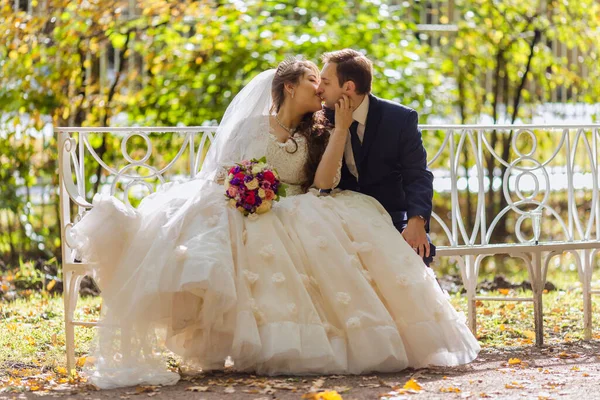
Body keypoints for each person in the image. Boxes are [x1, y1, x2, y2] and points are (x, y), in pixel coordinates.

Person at [71, 57, 479, 390]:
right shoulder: (253, 126)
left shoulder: (317, 129)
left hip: (302, 206)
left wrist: (336, 133)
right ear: (289, 87)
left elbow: (322, 184)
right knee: (223, 242)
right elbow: (225, 172)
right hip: (247, 206)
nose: (319, 89)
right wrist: (248, 191)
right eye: (312, 82)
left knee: (321, 233)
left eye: (324, 82)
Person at [317, 49, 436, 266]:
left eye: (325, 82)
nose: (319, 89)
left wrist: (416, 221)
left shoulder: (399, 119)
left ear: (348, 87)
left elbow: (417, 174)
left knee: (419, 250)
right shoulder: (321, 118)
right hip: (340, 215)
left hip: (389, 214)